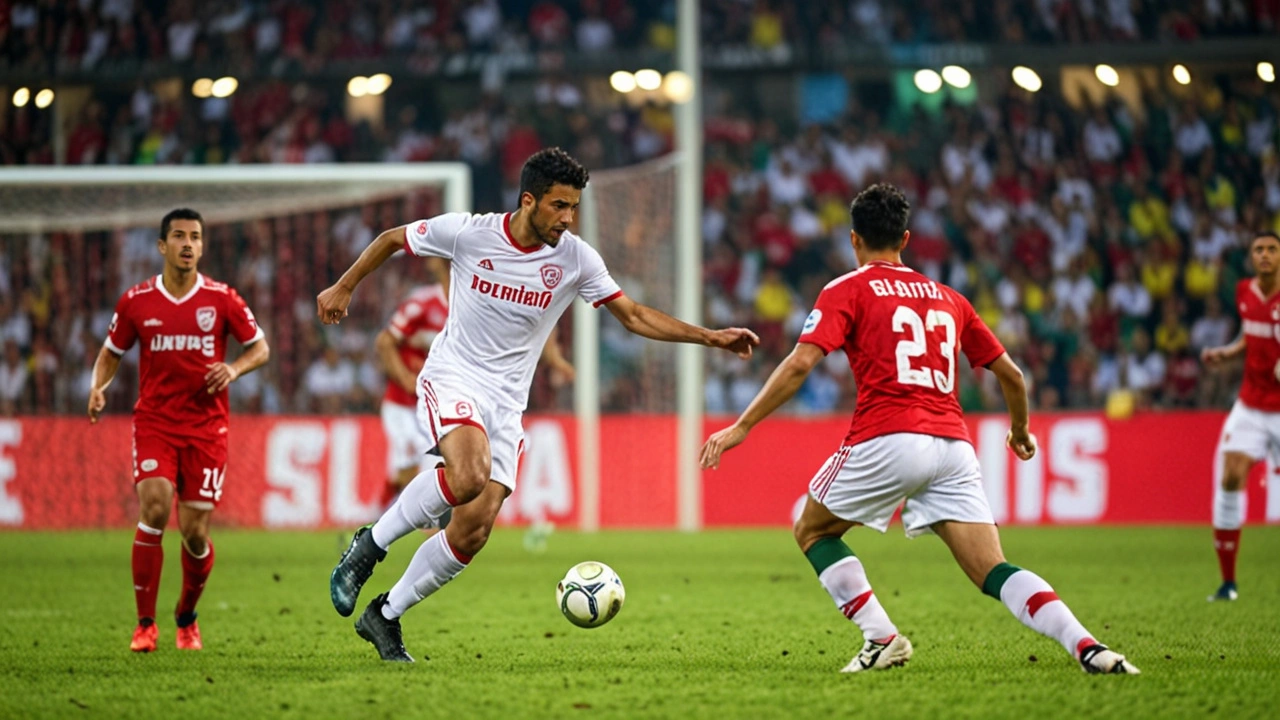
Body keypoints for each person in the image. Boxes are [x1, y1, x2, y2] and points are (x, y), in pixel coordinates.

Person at [317, 147, 759, 662]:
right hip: (453, 376)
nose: (568, 218)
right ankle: (368, 548)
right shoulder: (469, 232)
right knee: (467, 475)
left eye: (574, 207)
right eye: (559, 206)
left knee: (473, 528)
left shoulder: (576, 258)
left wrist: (711, 338)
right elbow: (394, 238)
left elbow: (633, 316)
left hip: (507, 403)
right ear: (528, 201)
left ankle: (385, 616)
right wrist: (343, 286)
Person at [700, 184, 1139, 675]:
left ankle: (881, 636)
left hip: (888, 436)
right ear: (905, 239)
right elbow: (1012, 376)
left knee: (812, 529)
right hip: (953, 445)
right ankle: (1087, 646)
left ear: (854, 240)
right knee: (992, 569)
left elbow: (802, 363)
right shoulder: (949, 297)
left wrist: (741, 425)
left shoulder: (846, 289)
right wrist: (1020, 430)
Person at [88, 208, 270, 653]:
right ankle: (144, 625)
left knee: (194, 533)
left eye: (195, 237)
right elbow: (111, 352)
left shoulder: (223, 299)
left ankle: (186, 617)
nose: (188, 244)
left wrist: (233, 368)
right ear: (161, 246)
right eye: (179, 236)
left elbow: (260, 348)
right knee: (154, 507)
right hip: (155, 422)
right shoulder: (136, 301)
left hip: (207, 429)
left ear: (202, 246)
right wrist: (98, 388)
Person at [375, 258, 575, 508]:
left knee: (440, 469)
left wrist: (554, 360)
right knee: (413, 461)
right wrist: (405, 378)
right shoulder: (422, 304)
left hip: (448, 403)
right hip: (404, 404)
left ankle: (398, 528)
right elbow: (385, 342)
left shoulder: (481, 305)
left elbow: (536, 322)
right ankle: (377, 524)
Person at [1200, 231, 1280, 602]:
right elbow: (1252, 336)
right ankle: (1228, 583)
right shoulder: (1245, 291)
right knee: (1230, 476)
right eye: (1259, 250)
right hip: (1250, 404)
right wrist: (1227, 354)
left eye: (1272, 250)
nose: (1265, 255)